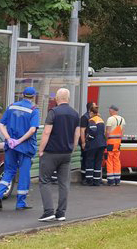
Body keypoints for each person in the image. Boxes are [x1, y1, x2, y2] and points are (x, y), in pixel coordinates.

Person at [0, 87, 40, 210]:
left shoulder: (12, 106)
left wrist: (9, 139)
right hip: (25, 147)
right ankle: (20, 203)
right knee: (24, 173)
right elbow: (32, 129)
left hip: (11, 146)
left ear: (22, 95)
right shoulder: (34, 110)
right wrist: (19, 141)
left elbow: (1, 124)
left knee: (9, 171)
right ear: (33, 97)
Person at [37, 88, 80, 222]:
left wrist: (40, 150)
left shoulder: (53, 112)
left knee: (44, 181)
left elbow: (46, 133)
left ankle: (48, 211)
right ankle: (61, 213)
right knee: (64, 183)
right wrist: (72, 148)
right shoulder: (75, 114)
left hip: (51, 153)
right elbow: (77, 134)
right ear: (68, 98)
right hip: (66, 154)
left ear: (56, 98)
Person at [83, 104, 106, 186]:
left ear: (92, 113)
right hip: (102, 144)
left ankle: (89, 180)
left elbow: (92, 131)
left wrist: (88, 138)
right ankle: (96, 181)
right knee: (98, 162)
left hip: (93, 144)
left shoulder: (92, 120)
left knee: (90, 160)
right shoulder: (101, 120)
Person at [105, 105, 126, 186]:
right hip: (118, 142)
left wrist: (106, 139)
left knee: (109, 159)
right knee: (116, 160)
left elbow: (107, 132)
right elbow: (122, 132)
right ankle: (117, 179)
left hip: (110, 142)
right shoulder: (122, 119)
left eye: (109, 110)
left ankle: (110, 180)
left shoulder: (110, 119)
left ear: (112, 110)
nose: (109, 111)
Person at [79, 101, 95, 185]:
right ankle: (83, 178)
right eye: (95, 106)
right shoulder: (84, 117)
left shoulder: (93, 117)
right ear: (90, 108)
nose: (96, 108)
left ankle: (89, 176)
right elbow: (82, 130)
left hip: (91, 142)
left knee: (89, 159)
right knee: (85, 159)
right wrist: (83, 142)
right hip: (86, 142)